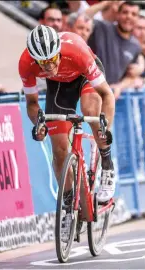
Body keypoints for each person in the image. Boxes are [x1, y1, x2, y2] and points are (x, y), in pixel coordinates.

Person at [18, 25, 116, 205]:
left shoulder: (77, 52)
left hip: (84, 76)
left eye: (53, 59)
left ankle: (108, 166)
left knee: (91, 111)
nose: (49, 66)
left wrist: (105, 127)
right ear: (34, 59)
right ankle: (68, 203)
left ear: (58, 51)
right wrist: (38, 124)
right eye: (43, 62)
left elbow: (107, 94)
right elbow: (32, 103)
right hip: (59, 86)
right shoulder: (26, 63)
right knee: (59, 149)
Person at [87, 1, 143, 98]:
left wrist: (119, 87)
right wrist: (106, 3)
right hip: (91, 91)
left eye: (133, 14)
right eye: (125, 12)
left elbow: (131, 76)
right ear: (117, 14)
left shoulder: (135, 45)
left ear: (137, 18)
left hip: (112, 97)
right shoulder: (103, 28)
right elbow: (84, 17)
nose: (129, 16)